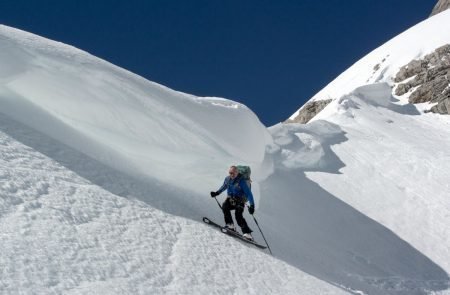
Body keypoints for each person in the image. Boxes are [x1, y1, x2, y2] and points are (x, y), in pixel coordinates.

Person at [210, 165, 255, 240]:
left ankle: (247, 233)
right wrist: (217, 193)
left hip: (240, 201)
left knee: (238, 216)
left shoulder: (242, 181)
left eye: (233, 173)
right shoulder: (227, 179)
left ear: (237, 172)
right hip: (230, 199)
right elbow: (224, 186)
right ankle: (230, 225)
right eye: (230, 173)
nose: (231, 174)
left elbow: (249, 194)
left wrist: (252, 205)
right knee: (225, 207)